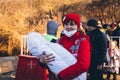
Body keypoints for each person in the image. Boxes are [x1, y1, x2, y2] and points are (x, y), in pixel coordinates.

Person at [39, 13, 91, 80]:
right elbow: (52, 61)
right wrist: (42, 62)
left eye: (72, 24)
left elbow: (83, 65)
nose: (68, 27)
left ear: (77, 26)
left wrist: (62, 76)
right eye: (66, 24)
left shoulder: (83, 42)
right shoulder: (58, 41)